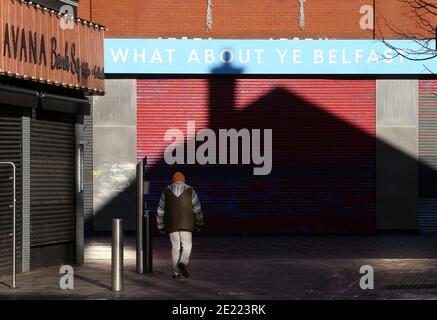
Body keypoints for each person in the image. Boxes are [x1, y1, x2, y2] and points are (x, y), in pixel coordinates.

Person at [157, 172, 204, 279]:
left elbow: (160, 210)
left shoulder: (166, 191)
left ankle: (176, 273)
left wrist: (160, 226)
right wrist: (199, 223)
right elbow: (197, 209)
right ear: (184, 180)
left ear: (173, 180)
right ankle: (182, 262)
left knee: (175, 247)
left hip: (172, 224)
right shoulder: (190, 190)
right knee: (187, 245)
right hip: (187, 224)